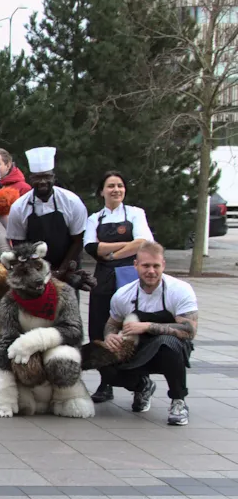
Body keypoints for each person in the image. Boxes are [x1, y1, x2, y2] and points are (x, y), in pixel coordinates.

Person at [99, 242, 196, 426]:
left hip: (170, 352)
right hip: (138, 349)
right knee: (103, 361)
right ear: (135, 265)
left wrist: (147, 326)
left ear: (163, 265)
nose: (151, 271)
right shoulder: (123, 295)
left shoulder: (180, 290)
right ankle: (142, 386)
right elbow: (112, 324)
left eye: (156, 266)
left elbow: (189, 330)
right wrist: (109, 337)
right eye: (145, 266)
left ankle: (178, 401)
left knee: (167, 342)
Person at [85, 171, 154, 403]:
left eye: (120, 185)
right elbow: (92, 248)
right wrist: (127, 245)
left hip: (130, 279)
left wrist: (112, 253)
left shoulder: (136, 213)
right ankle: (106, 382)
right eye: (111, 186)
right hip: (102, 280)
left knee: (133, 330)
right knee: (100, 329)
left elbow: (143, 242)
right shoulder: (95, 218)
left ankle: (140, 385)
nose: (116, 190)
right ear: (102, 191)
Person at [6, 147, 87, 283]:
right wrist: (37, 271)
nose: (42, 181)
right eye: (38, 177)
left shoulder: (72, 202)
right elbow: (18, 244)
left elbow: (78, 240)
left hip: (67, 270)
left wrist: (61, 271)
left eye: (47, 176)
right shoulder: (19, 208)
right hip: (33, 274)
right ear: (31, 179)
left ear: (53, 177)